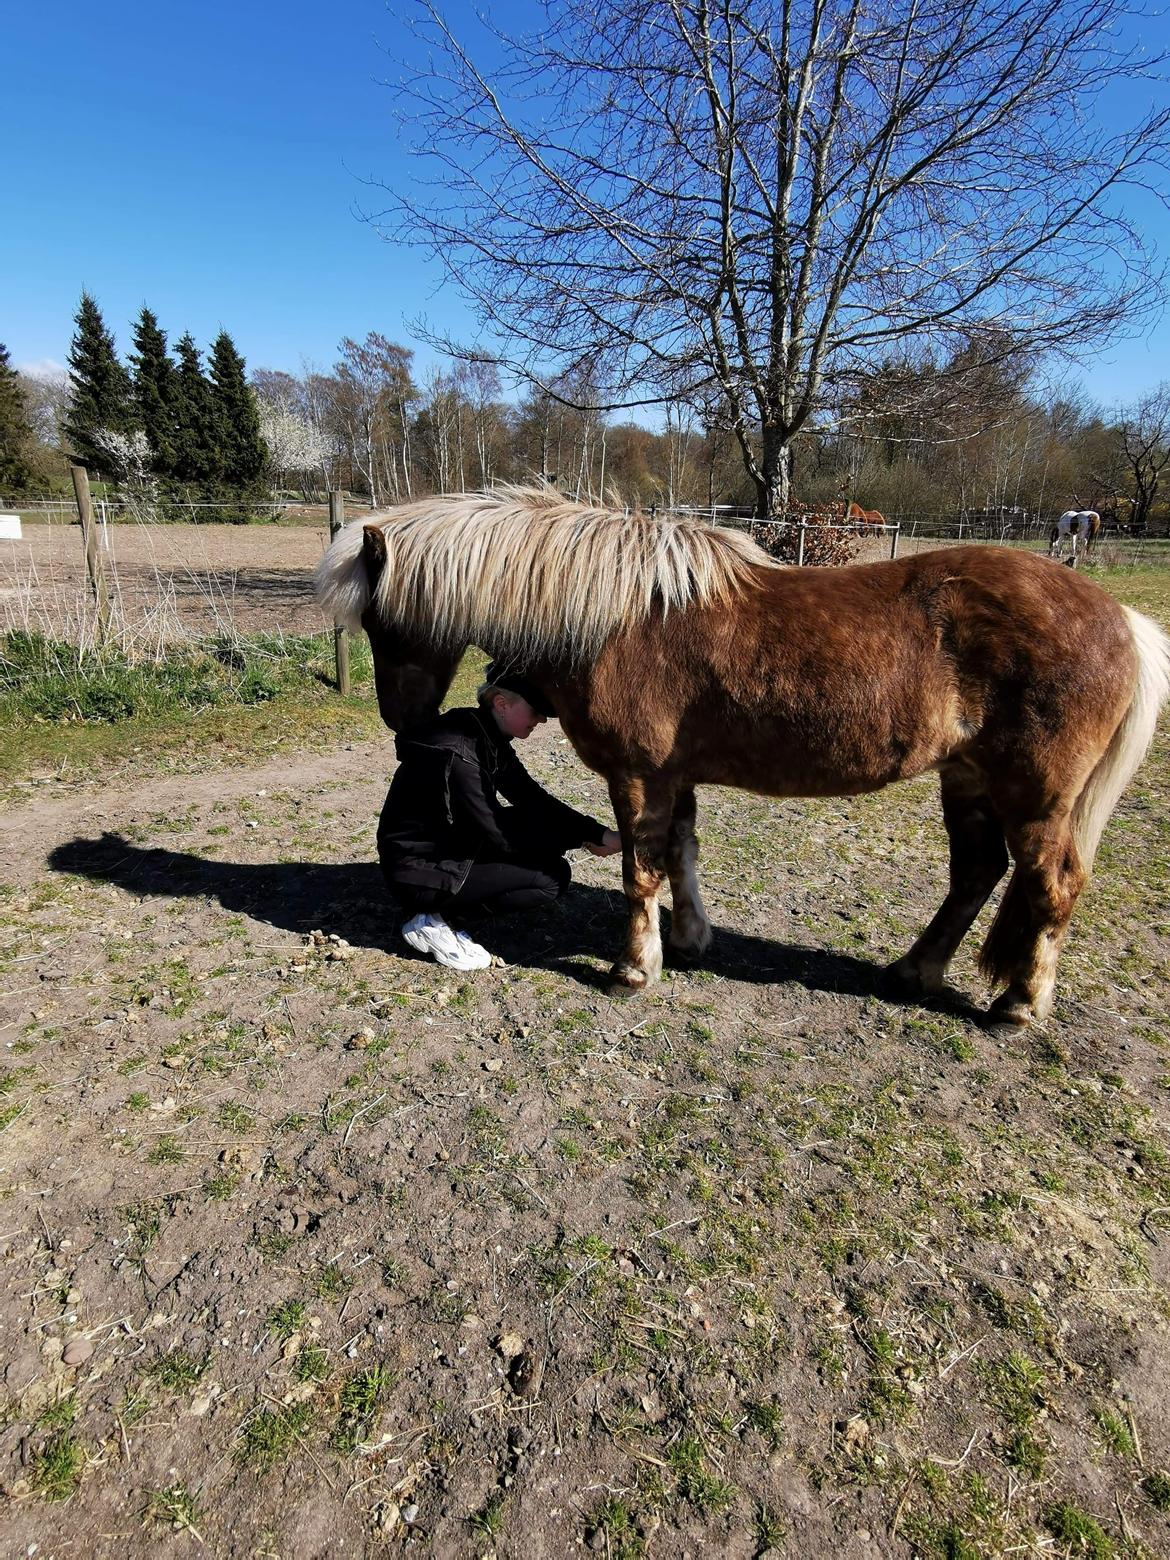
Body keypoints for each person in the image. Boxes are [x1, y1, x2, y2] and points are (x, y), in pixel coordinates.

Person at [377, 662, 622, 970]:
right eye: (536, 710)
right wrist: (578, 840)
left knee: (540, 845)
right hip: (419, 869)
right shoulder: (463, 755)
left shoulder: (483, 733)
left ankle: (438, 910)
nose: (543, 720)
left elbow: (532, 798)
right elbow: (499, 836)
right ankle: (432, 920)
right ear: (502, 704)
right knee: (550, 878)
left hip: (444, 849)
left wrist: (596, 833)